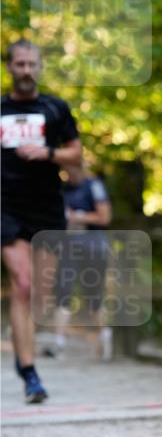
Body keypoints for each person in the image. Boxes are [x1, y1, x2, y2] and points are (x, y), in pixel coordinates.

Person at [1, 39, 82, 402]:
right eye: (20, 64)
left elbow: (76, 156)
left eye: (32, 64)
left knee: (38, 295)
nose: (26, 70)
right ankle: (31, 373)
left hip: (46, 208)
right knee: (22, 283)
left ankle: (23, 353)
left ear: (40, 66)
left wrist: (47, 152)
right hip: (6, 207)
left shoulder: (55, 108)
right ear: (10, 67)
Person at [51, 162, 113, 361]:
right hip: (69, 247)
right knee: (63, 291)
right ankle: (58, 343)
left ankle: (104, 336)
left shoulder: (94, 185)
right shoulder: (63, 190)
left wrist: (78, 216)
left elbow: (104, 217)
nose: (69, 174)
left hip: (94, 247)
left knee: (94, 295)